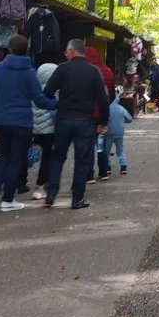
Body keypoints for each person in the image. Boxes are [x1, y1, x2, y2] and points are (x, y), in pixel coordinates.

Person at [0, 36, 57, 212]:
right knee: (16, 160)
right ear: (26, 51)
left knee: (4, 157)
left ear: (9, 49)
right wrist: (57, 104)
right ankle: (8, 199)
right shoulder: (29, 71)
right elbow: (39, 100)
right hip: (22, 123)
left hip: (1, 121)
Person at [43, 39, 110, 209]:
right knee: (82, 160)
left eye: (67, 52)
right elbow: (103, 99)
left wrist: (58, 103)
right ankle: (77, 198)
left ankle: (51, 193)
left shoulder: (62, 69)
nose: (66, 55)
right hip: (85, 120)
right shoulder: (93, 71)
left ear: (72, 51)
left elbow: (47, 92)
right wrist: (103, 122)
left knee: (58, 156)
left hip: (63, 119)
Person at [28, 63, 58, 200]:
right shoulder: (55, 91)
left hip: (35, 128)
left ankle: (21, 182)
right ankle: (41, 186)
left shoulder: (34, 89)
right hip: (50, 129)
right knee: (48, 157)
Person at [85, 47, 114, 181]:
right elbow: (112, 94)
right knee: (101, 143)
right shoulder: (108, 71)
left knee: (89, 145)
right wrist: (106, 105)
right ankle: (103, 171)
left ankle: (89, 174)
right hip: (102, 113)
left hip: (89, 113)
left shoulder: (87, 70)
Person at [104, 93, 133, 175]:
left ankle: (108, 167)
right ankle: (123, 167)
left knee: (106, 151)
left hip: (109, 133)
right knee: (120, 150)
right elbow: (129, 119)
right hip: (119, 133)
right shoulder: (121, 108)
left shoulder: (106, 108)